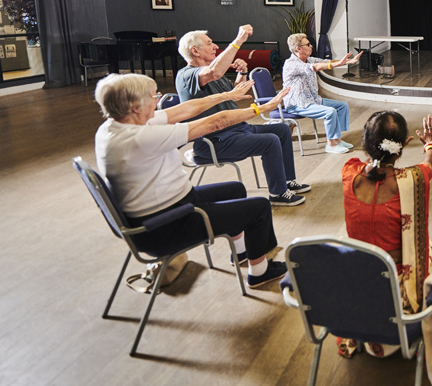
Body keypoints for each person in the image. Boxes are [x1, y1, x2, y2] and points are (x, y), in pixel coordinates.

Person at [93, 73, 289, 288]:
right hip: (165, 224)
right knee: (259, 207)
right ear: (136, 106)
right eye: (153, 96)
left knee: (235, 190)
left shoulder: (114, 126)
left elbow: (183, 110)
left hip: (170, 206)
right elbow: (216, 122)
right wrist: (261, 109)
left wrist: (226, 95)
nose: (157, 100)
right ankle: (259, 272)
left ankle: (242, 254)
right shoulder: (139, 138)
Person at [338, 111, 432, 357]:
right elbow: (428, 165)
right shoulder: (413, 179)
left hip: (357, 286)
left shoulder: (349, 172)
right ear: (404, 145)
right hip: (397, 296)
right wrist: (431, 144)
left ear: (364, 144)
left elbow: (371, 170)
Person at [176, 25, 310, 207]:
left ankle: (287, 181)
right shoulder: (186, 75)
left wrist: (242, 73)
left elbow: (234, 95)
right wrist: (238, 40)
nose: (215, 46)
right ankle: (277, 194)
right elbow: (213, 72)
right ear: (195, 51)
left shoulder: (214, 73)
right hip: (215, 141)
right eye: (209, 43)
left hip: (239, 129)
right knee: (270, 140)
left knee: (282, 129)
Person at [282, 33, 361, 154]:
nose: (311, 46)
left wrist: (347, 62)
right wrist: (338, 63)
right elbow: (316, 67)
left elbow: (325, 61)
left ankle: (337, 140)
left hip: (313, 100)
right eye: (308, 44)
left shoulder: (308, 59)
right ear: (298, 48)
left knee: (342, 106)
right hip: (298, 104)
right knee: (330, 111)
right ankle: (331, 144)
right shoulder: (291, 64)